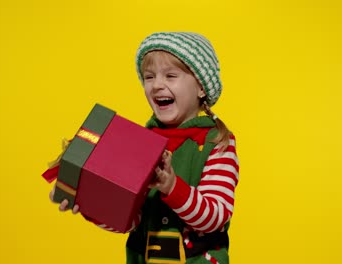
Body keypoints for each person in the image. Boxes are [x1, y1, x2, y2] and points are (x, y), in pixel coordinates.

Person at [50, 32, 240, 263]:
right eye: (148, 77)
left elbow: (215, 217)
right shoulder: (139, 142)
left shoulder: (217, 142)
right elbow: (129, 221)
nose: (157, 85)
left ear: (201, 87)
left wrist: (171, 186)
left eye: (171, 75)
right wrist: (89, 200)